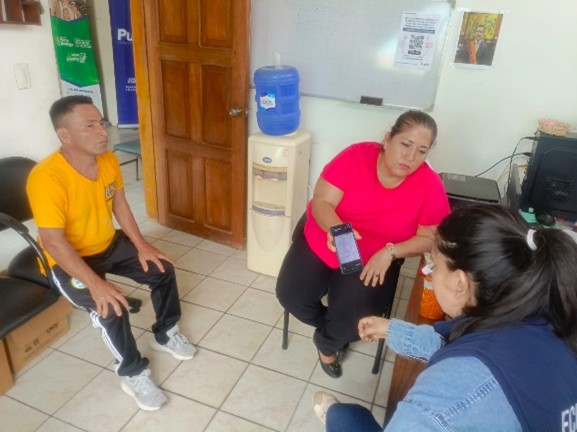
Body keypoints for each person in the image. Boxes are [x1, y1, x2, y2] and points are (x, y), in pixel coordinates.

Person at [313, 204, 577, 431]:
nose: (431, 272)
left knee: (343, 417)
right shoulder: (549, 317)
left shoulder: (443, 402)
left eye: (435, 265)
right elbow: (457, 343)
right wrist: (391, 329)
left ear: (460, 282)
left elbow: (465, 367)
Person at [26, 95, 196, 411]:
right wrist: (96, 284)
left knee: (162, 269)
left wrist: (142, 246)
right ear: (65, 135)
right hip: (67, 259)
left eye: (101, 123)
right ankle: (132, 373)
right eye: (90, 126)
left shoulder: (107, 160)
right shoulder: (47, 178)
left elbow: (120, 204)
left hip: (107, 243)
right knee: (111, 307)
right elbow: (53, 242)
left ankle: (165, 332)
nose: (103, 131)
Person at [276, 110, 450, 378]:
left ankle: (326, 344)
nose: (410, 157)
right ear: (388, 139)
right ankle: (332, 327)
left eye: (421, 151)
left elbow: (430, 238)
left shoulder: (429, 184)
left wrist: (390, 252)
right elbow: (322, 201)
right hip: (330, 236)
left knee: (357, 323)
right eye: (405, 144)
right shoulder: (356, 156)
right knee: (291, 296)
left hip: (374, 257)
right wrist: (335, 229)